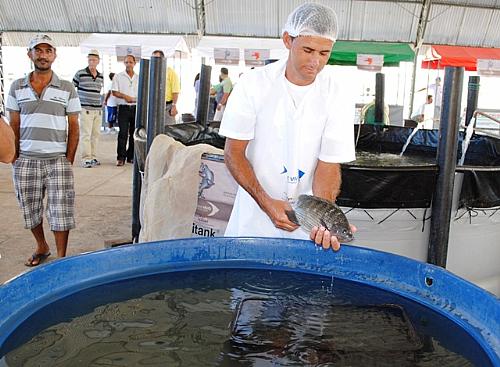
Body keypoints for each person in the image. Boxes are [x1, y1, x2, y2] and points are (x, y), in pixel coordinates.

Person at [219, 3, 356, 251]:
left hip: (306, 231)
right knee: (248, 285)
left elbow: (328, 164)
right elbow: (233, 153)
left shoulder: (336, 94)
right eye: (308, 49)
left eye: (324, 53)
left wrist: (324, 220)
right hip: (253, 220)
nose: (315, 61)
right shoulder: (253, 85)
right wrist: (266, 202)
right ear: (287, 40)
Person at [6, 34, 81, 266]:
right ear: (29, 54)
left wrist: (68, 159)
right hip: (26, 160)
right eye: (38, 50)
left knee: (61, 210)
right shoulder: (17, 86)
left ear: (54, 55)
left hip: (57, 160)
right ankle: (42, 246)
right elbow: (14, 124)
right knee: (30, 208)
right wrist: (15, 157)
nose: (43, 55)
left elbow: (74, 125)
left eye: (48, 50)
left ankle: (61, 259)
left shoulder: (67, 87)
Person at [73, 49, 104, 168]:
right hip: (85, 109)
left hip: (98, 110)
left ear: (98, 61)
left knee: (95, 134)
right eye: (90, 59)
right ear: (87, 60)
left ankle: (93, 157)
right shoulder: (80, 73)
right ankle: (86, 158)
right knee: (86, 134)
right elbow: (72, 88)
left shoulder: (100, 76)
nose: (92, 62)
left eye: (94, 60)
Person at [112, 54, 138, 166]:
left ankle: (131, 156)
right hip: (123, 108)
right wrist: (125, 97)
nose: (129, 64)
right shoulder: (118, 76)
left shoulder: (139, 77)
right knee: (123, 133)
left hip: (136, 108)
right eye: (126, 62)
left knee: (134, 133)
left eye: (130, 62)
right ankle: (121, 157)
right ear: (124, 63)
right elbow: (114, 92)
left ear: (134, 63)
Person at [151, 50, 180, 125]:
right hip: (153, 105)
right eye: (153, 58)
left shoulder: (171, 72)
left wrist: (174, 106)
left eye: (157, 58)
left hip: (167, 106)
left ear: (162, 59)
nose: (155, 61)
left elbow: (175, 91)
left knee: (168, 129)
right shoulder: (150, 71)